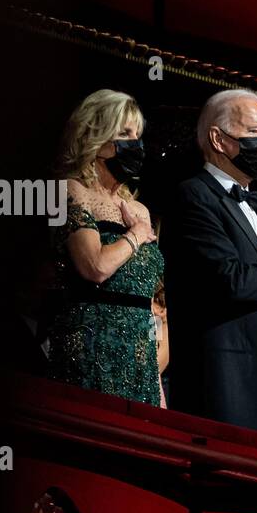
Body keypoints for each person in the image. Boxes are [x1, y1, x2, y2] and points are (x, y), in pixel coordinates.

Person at [159, 89, 257, 435]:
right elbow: (227, 279)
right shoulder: (195, 195)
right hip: (228, 389)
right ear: (218, 139)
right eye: (253, 132)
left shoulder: (254, 208)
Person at [47, 89, 165, 407]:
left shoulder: (137, 209)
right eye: (124, 133)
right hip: (90, 349)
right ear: (96, 138)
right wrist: (136, 236)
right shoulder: (68, 192)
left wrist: (157, 384)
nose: (135, 144)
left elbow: (148, 303)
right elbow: (94, 267)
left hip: (140, 358)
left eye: (138, 135)